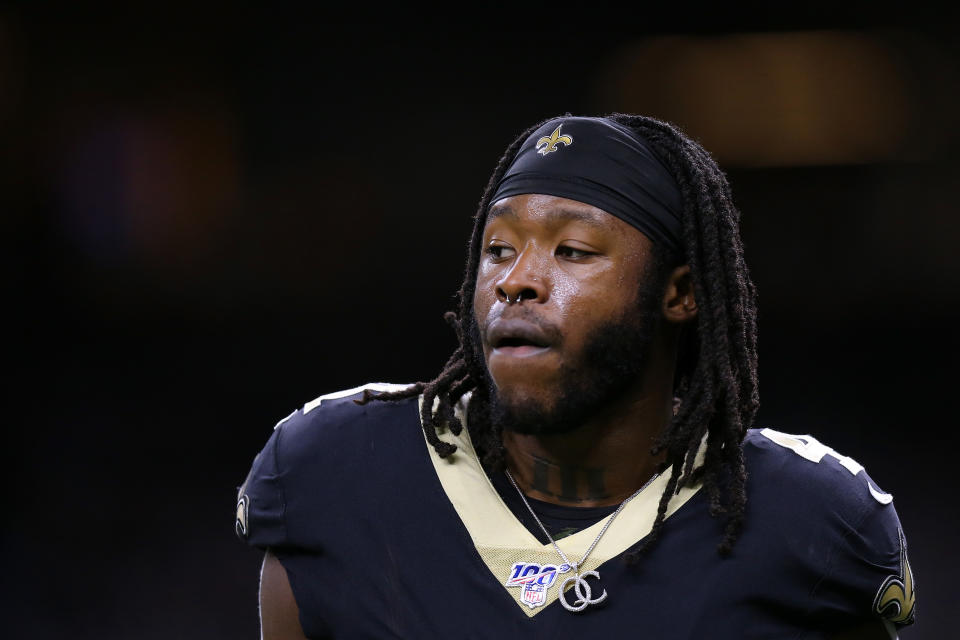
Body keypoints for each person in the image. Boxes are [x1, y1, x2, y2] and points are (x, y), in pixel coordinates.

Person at [235, 114, 916, 639]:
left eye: (573, 250)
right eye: (498, 249)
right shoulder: (331, 470)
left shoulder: (816, 523)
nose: (516, 281)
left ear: (679, 293)